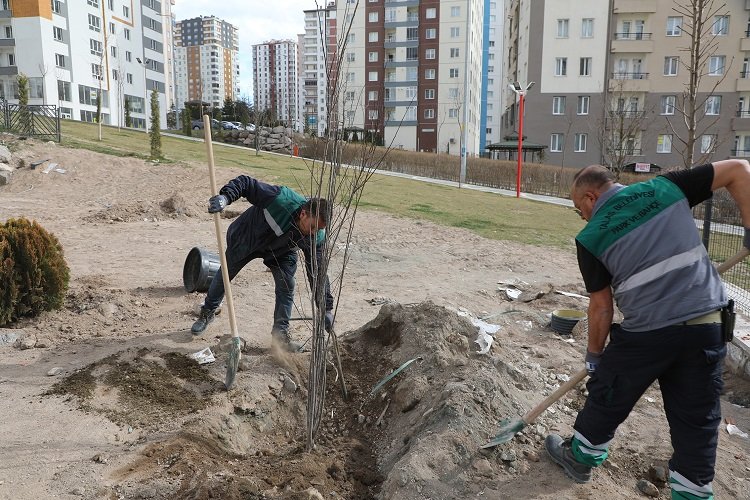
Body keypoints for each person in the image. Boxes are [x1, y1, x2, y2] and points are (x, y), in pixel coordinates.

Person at [546, 160, 750, 499]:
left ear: (591, 197)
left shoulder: (591, 236)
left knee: (608, 390)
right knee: (698, 419)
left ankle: (580, 457)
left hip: (648, 335)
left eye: (577, 207)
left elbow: (601, 307)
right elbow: (739, 169)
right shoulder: (666, 187)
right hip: (706, 327)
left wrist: (595, 357)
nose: (581, 216)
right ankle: (692, 493)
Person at [191, 174, 335, 352]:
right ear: (304, 213)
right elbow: (246, 184)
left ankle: (280, 336)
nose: (314, 233)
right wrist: (225, 197)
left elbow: (318, 272)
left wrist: (326, 307)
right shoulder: (280, 199)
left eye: (319, 229)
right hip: (249, 237)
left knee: (287, 286)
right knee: (226, 273)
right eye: (313, 227)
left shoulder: (316, 236)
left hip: (282, 251)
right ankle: (207, 312)